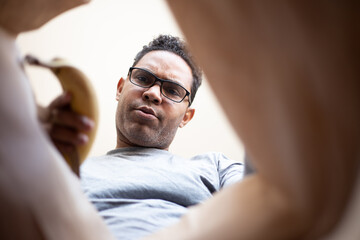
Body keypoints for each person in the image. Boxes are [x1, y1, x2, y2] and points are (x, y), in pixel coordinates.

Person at [43, 34, 244, 240]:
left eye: (173, 90)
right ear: (120, 88)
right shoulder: (66, 170)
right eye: (143, 78)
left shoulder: (216, 169)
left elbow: (271, 199)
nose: (153, 93)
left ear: (186, 117)